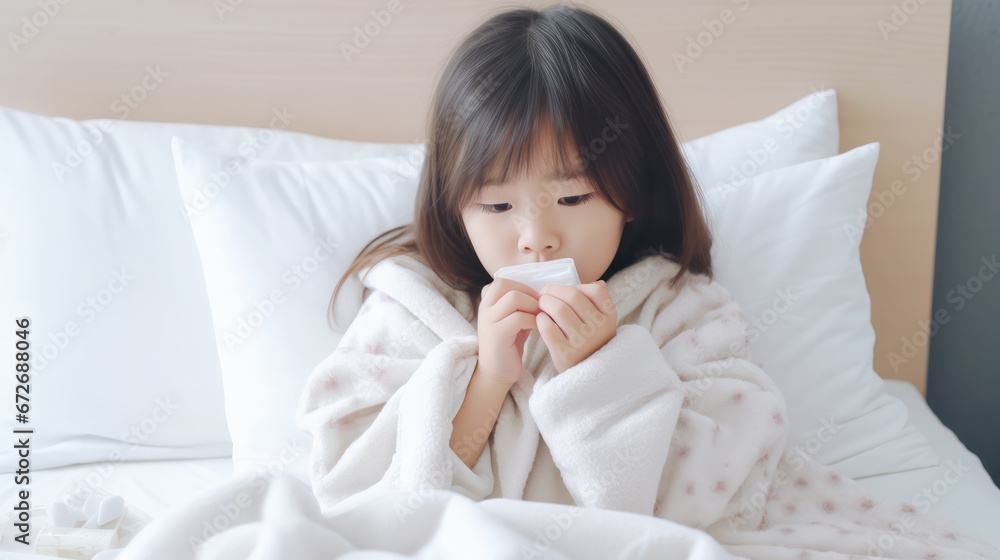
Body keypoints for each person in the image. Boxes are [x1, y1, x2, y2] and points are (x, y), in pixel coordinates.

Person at [296, 4, 1000, 558]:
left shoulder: (678, 308)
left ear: (629, 194)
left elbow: (729, 478)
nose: (535, 235)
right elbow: (350, 486)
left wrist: (598, 376)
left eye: (572, 199)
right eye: (497, 205)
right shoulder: (412, 306)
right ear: (455, 204)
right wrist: (482, 380)